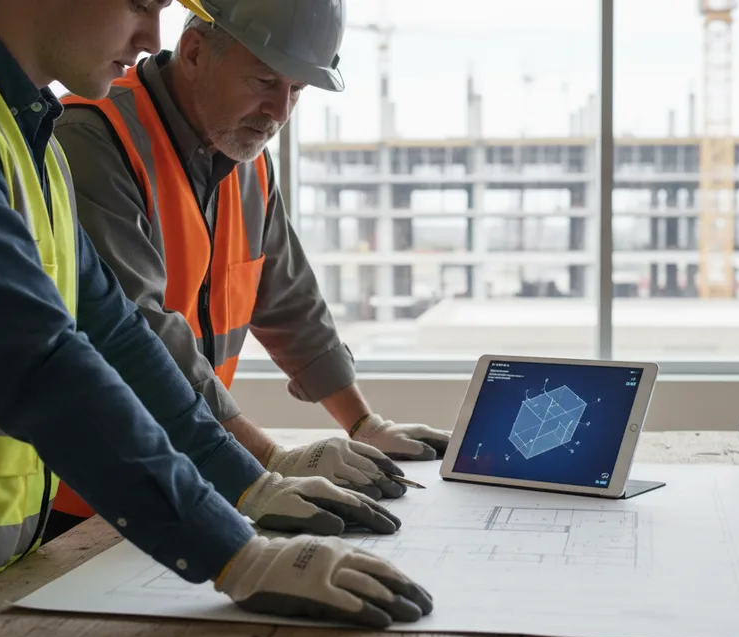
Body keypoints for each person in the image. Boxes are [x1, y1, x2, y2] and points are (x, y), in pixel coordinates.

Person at [0, 1, 431, 637]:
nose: (155, 37)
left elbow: (114, 334)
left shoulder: (15, 122)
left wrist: (248, 485)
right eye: (140, 3)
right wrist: (235, 554)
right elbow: (39, 366)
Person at [46, 0, 452, 535]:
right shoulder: (91, 137)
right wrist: (270, 461)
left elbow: (289, 301)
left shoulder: (245, 153)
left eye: (297, 91)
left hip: (193, 476)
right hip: (84, 498)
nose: (280, 111)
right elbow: (139, 331)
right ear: (193, 52)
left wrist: (363, 422)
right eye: (265, 81)